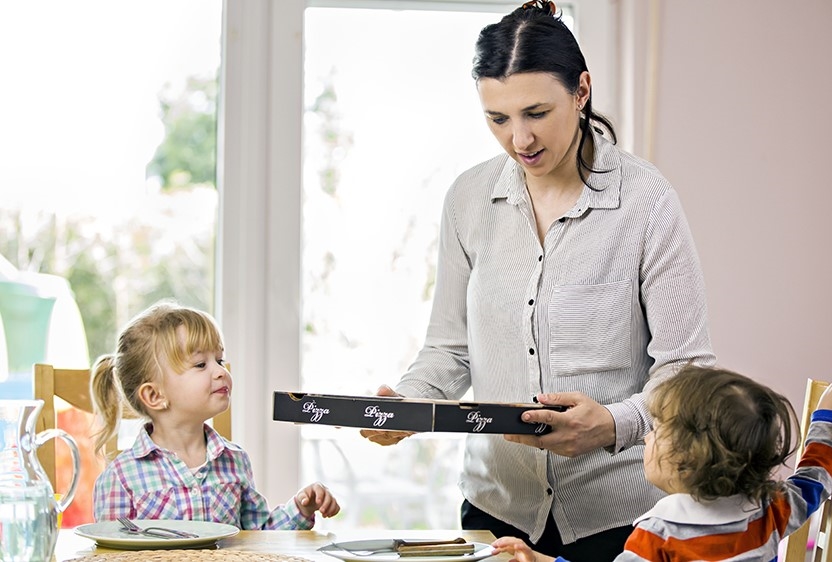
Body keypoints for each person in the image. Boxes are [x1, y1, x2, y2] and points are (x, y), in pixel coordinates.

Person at [360, 1, 714, 561]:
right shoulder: (468, 199)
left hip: (621, 519)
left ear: (581, 91)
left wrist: (614, 424)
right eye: (498, 119)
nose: (519, 138)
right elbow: (450, 349)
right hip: (495, 512)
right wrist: (408, 404)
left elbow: (687, 368)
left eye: (536, 112)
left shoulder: (647, 203)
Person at [492, 365, 832, 562]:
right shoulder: (769, 510)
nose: (646, 437)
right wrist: (827, 413)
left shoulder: (659, 533)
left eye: (657, 430)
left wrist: (542, 560)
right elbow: (815, 476)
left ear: (687, 457)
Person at [90, 301, 340, 529]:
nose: (221, 371)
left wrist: (301, 508)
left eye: (219, 360)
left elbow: (259, 536)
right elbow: (110, 552)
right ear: (154, 395)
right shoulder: (120, 478)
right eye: (200, 364)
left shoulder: (235, 460)